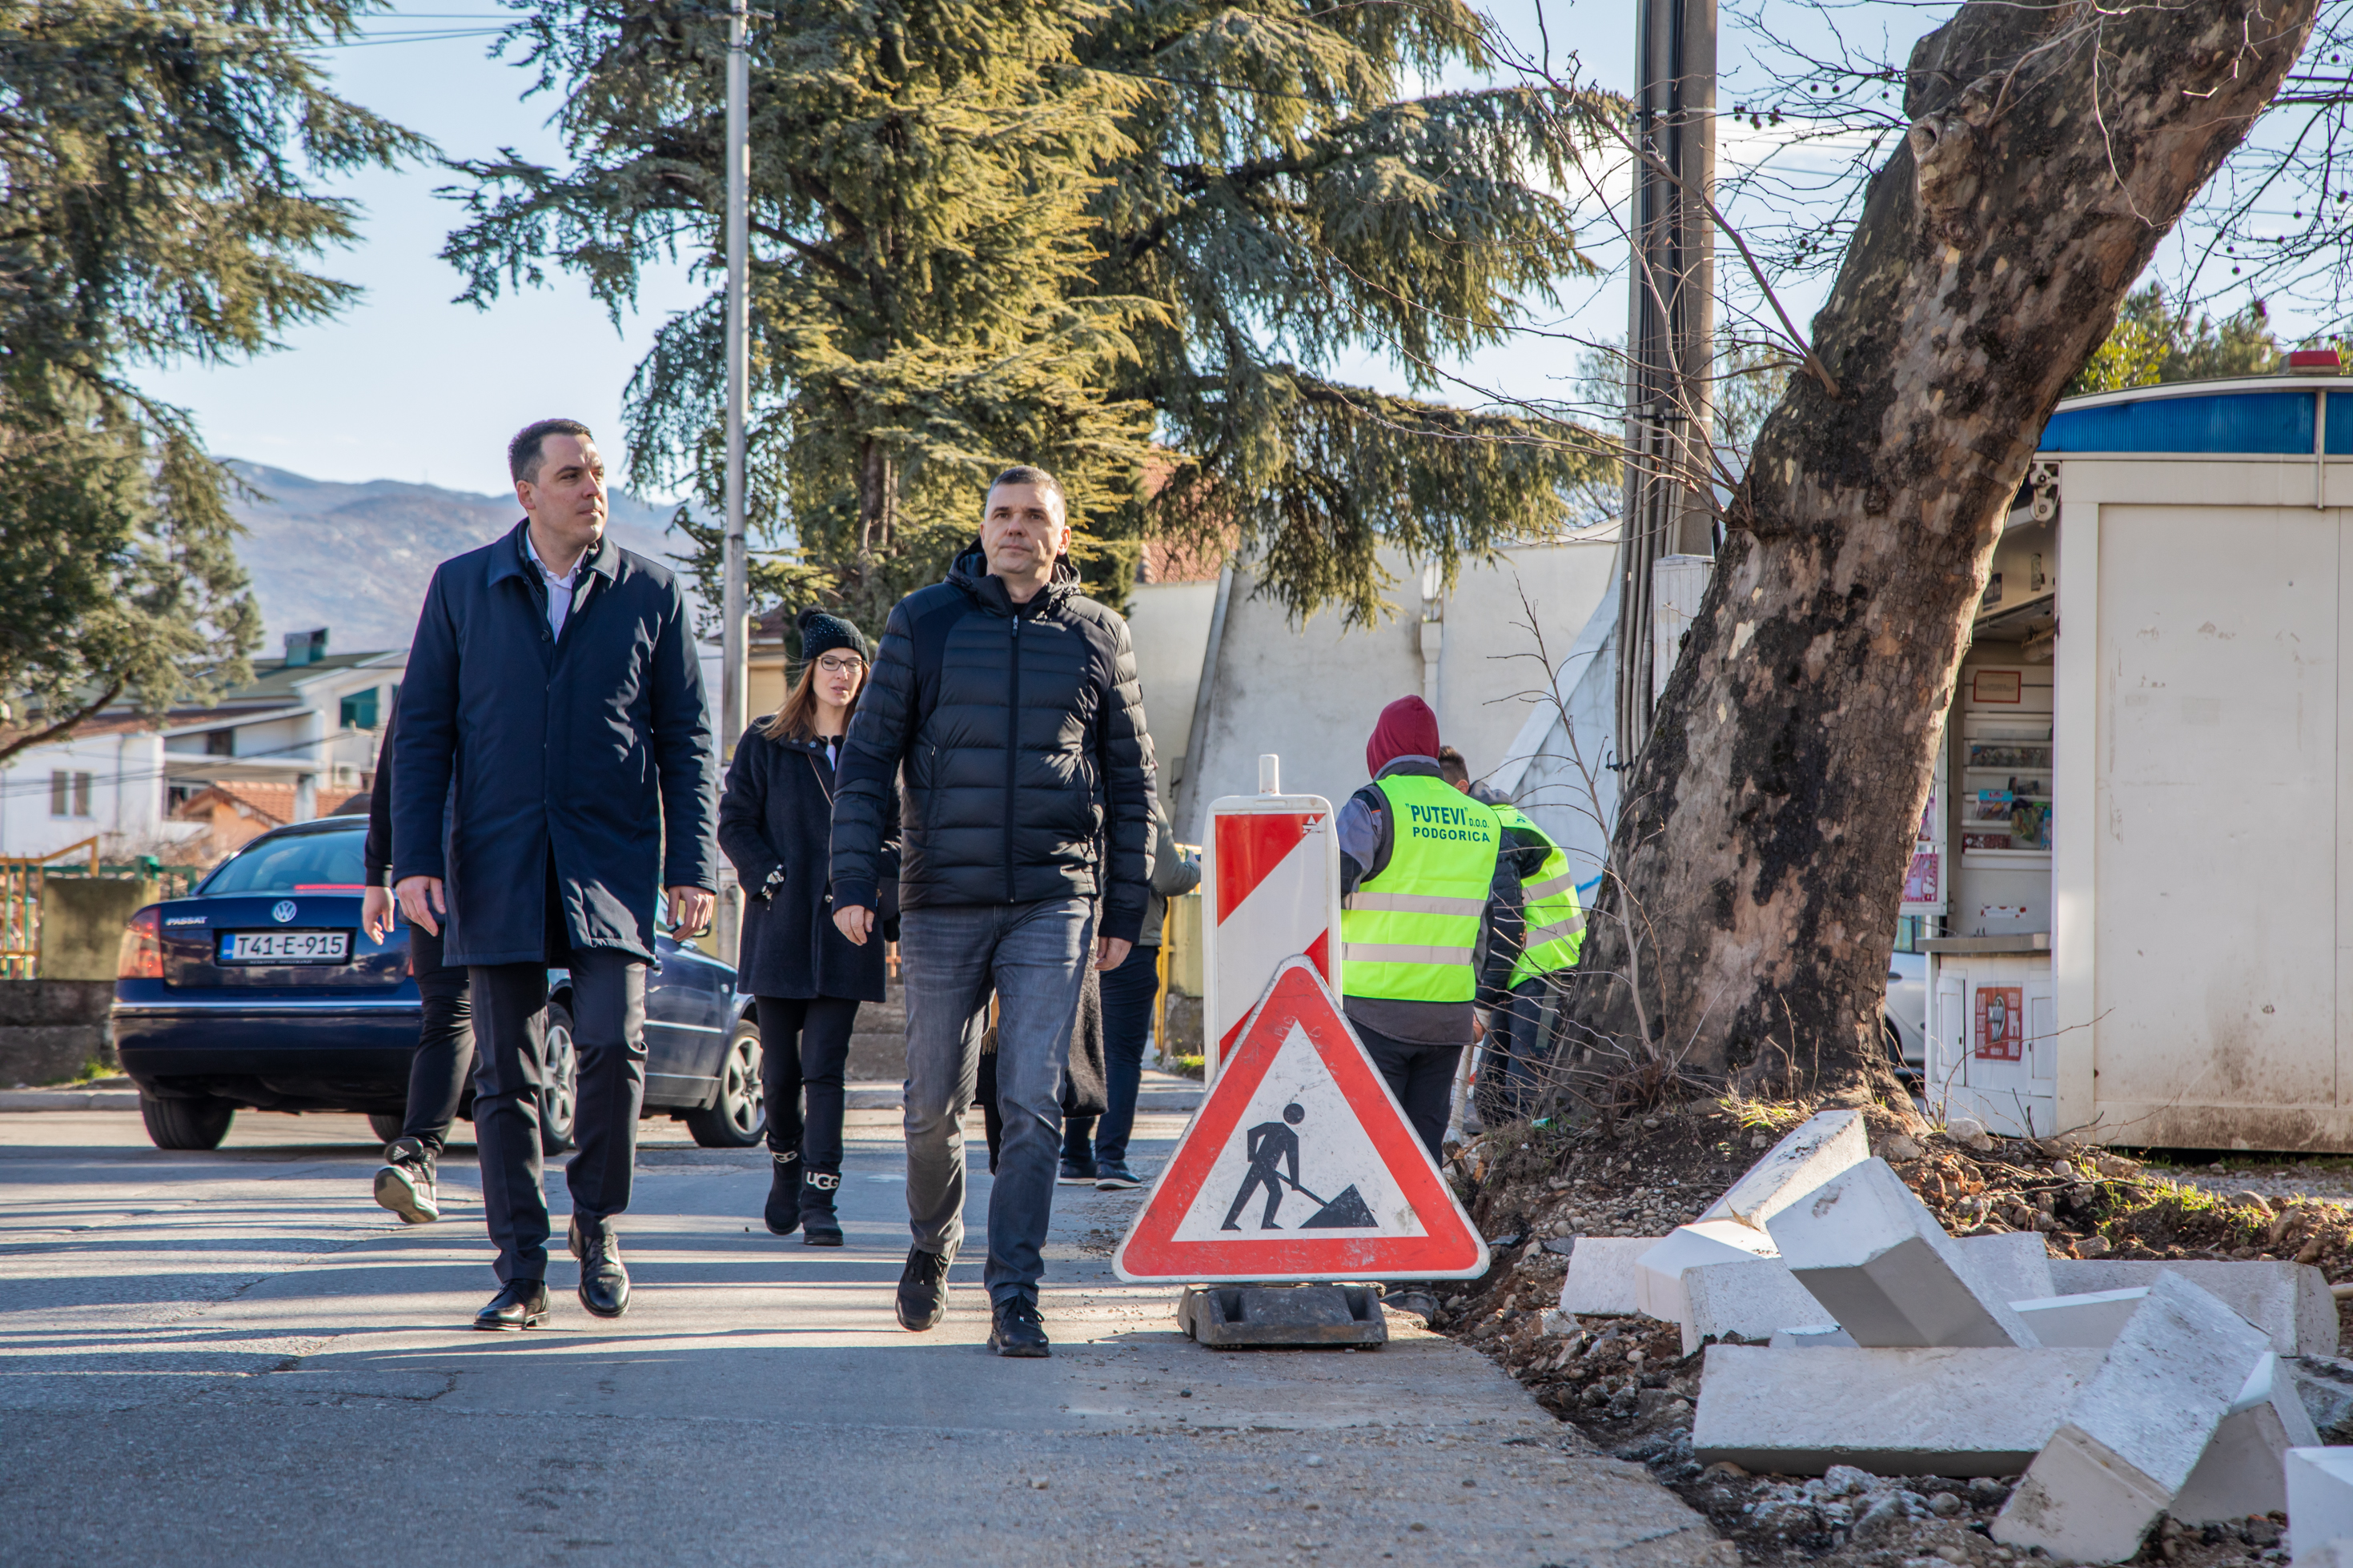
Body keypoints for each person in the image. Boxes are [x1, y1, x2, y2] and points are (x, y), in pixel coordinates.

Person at [392, 418, 717, 1332]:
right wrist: (413, 860)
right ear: (527, 493)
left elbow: (686, 741)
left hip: (608, 862)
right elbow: (421, 733)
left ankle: (598, 1227)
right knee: (506, 1077)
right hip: (492, 862)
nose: (591, 488)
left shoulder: (650, 591)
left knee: (614, 1045)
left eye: (599, 473)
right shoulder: (462, 588)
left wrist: (691, 862)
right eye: (571, 475)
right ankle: (520, 1271)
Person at [829, 463, 1154, 1359]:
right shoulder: (923, 621)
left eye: (1032, 517)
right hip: (941, 899)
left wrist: (1122, 905)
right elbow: (865, 761)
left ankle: (1015, 1289)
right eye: (1000, 515)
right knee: (931, 1100)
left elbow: (1134, 783)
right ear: (981, 528)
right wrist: (853, 880)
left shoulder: (1098, 634)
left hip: (1054, 898)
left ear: (1061, 534)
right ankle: (932, 1245)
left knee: (1031, 1101)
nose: (1014, 529)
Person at [717, 608, 895, 1246]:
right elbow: (734, 822)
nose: (842, 674)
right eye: (831, 663)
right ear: (809, 671)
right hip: (779, 929)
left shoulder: (875, 748)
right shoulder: (766, 741)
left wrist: (870, 886)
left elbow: (900, 836)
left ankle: (822, 1197)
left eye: (852, 663)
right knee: (779, 1074)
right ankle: (785, 1166)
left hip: (847, 933)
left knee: (825, 1066)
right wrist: (768, 877)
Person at [1335, 696, 1517, 1161]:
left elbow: (1324, 888)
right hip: (1447, 1017)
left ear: (1380, 748)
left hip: (1375, 1011)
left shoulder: (1373, 807)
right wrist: (1479, 1003)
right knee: (1421, 1159)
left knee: (1369, 1154)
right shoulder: (1482, 819)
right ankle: (1422, 1233)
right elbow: (1495, 920)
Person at [360, 698, 473, 1225]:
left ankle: (426, 1157)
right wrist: (377, 877)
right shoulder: (426, 677)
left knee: (468, 1019)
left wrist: (379, 875)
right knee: (453, 1013)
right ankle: (419, 1159)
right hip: (439, 881)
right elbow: (392, 773)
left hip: (500, 875)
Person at [1060, 788, 1197, 1189]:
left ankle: (1075, 1156)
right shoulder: (1142, 804)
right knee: (1121, 1057)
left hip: (1079, 939)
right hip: (1131, 943)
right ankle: (1111, 1159)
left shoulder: (1074, 794)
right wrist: (1197, 865)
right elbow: (1170, 876)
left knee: (1086, 1048)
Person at [1437, 747, 1583, 1123]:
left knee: (1525, 1092)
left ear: (1463, 788)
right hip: (1518, 976)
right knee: (1489, 1096)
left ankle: (1540, 1175)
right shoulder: (1486, 828)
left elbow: (1507, 926)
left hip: (1549, 972)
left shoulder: (1497, 829)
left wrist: (1482, 1005)